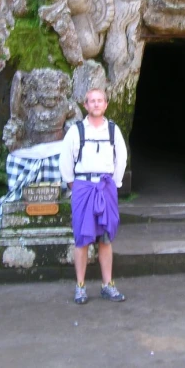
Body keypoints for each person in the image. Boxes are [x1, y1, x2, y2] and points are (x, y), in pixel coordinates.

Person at [59, 88, 128, 305]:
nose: (96, 104)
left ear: (106, 105)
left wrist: (114, 184)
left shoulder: (112, 130)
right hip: (83, 187)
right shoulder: (76, 131)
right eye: (92, 101)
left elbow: (122, 158)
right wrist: (75, 185)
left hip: (106, 186)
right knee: (82, 238)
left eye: (100, 101)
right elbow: (65, 161)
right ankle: (80, 286)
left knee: (106, 238)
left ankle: (108, 285)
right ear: (85, 105)